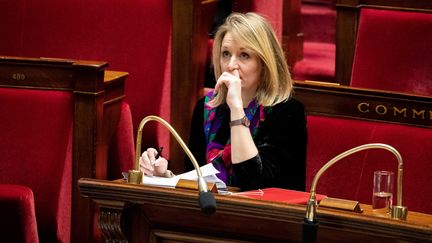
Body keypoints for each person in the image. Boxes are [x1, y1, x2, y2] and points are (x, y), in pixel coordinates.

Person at [140, 12, 307, 191]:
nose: (230, 65)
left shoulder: (288, 113)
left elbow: (253, 183)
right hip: (211, 214)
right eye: (226, 54)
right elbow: (196, 179)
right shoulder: (206, 108)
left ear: (264, 63)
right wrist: (164, 176)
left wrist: (236, 108)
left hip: (265, 215)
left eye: (244, 55)